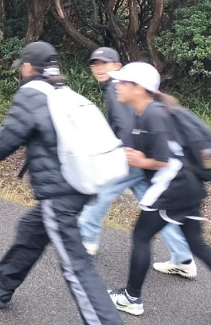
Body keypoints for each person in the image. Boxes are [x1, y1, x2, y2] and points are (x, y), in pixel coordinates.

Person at [0, 41, 123, 325]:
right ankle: (1, 284)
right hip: (78, 184)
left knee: (75, 265)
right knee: (30, 229)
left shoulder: (32, 94)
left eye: (22, 67)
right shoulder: (61, 91)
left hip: (60, 194)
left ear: (29, 67)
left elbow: (8, 137)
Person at [106, 61, 211, 325]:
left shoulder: (153, 115)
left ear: (139, 88)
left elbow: (163, 160)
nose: (117, 86)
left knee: (141, 235)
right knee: (197, 244)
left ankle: (131, 298)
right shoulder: (145, 112)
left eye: (123, 82)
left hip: (172, 188)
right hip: (188, 188)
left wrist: (140, 161)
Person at [78, 47, 197, 278]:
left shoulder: (117, 88)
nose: (99, 68)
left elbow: (125, 124)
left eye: (105, 63)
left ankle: (86, 239)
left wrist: (123, 154)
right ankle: (183, 257)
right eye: (95, 64)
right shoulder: (119, 87)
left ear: (117, 67)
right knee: (152, 205)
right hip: (139, 157)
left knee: (100, 193)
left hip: (130, 156)